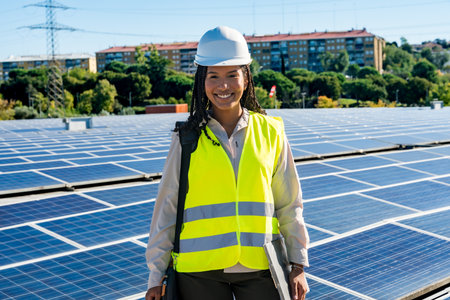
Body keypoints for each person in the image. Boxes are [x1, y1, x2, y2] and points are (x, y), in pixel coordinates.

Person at [145, 26, 309, 300]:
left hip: (261, 268)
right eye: (214, 76)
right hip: (198, 272)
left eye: (232, 75)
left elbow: (290, 204)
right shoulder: (186, 138)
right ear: (202, 81)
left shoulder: (271, 132)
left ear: (246, 78)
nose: (223, 85)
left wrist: (298, 264)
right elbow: (166, 209)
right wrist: (155, 275)